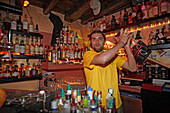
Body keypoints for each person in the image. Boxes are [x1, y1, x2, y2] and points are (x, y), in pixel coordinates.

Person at [83, 29, 137, 113]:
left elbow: (133, 68)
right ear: (90, 42)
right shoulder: (88, 55)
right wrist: (121, 43)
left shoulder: (113, 56)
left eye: (100, 39)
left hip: (115, 103)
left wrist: (127, 47)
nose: (97, 42)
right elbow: (103, 59)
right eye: (94, 39)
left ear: (104, 41)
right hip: (96, 104)